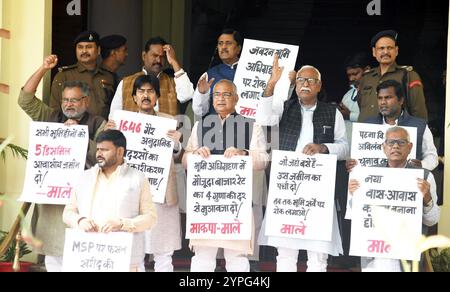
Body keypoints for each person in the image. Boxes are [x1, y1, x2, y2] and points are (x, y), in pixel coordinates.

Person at [257, 56, 349, 272]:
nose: (305, 84)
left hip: (318, 190)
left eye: (310, 80)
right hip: (288, 188)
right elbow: (263, 118)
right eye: (300, 80)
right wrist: (272, 83)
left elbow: (345, 148)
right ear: (294, 84)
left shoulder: (332, 112)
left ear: (319, 86)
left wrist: (323, 148)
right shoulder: (283, 106)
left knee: (318, 254)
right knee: (286, 253)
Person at [18, 55, 106, 272]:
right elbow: (25, 100)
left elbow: (104, 157)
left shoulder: (98, 123)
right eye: (65, 100)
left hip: (82, 203)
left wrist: (80, 137)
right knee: (53, 258)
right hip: (52, 204)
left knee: (81, 259)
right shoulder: (50, 116)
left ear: (85, 101)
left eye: (74, 100)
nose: (68, 104)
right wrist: (43, 68)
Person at [182, 79, 269, 272]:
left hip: (235, 204)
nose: (220, 98)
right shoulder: (200, 126)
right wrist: (195, 155)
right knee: (202, 257)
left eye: (226, 94)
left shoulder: (251, 125)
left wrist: (244, 153)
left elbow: (263, 160)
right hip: (206, 204)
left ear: (236, 98)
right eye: (217, 95)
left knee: (236, 257)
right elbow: (185, 159)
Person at [106, 74, 182, 272]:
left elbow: (177, 155)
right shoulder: (122, 123)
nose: (146, 95)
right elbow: (110, 157)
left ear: (157, 96)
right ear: (134, 97)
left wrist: (176, 143)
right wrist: (108, 135)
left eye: (150, 91)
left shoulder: (169, 121)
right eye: (141, 91)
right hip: (132, 193)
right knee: (134, 251)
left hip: (162, 193)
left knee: (163, 252)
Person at [63, 130, 157, 272]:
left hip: (125, 260)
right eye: (98, 149)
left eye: (105, 150)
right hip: (87, 258)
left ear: (120, 151)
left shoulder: (137, 178)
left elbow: (151, 218)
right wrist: (80, 221)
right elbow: (68, 212)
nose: (99, 154)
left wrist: (122, 224)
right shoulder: (84, 178)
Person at [348, 126, 440, 272]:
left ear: (410, 147)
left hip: (407, 257)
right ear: (383, 147)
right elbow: (358, 215)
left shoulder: (425, 177)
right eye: (391, 143)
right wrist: (355, 196)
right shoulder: (368, 175)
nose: (395, 146)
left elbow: (432, 220)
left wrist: (427, 198)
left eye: (401, 142)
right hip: (374, 255)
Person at [348, 80, 438, 172]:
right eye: (380, 98)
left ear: (401, 100)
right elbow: (357, 160)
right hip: (375, 183)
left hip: (408, 182)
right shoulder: (367, 125)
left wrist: (422, 165)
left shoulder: (419, 126)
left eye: (388, 97)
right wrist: (352, 164)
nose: (383, 102)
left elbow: (432, 157)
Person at [110, 36, 193, 117]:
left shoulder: (173, 83)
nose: (158, 60)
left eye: (162, 57)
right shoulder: (126, 83)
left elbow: (187, 95)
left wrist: (174, 61)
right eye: (154, 55)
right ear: (144, 56)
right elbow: (113, 117)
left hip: (166, 131)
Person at [358, 30, 428, 122]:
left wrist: (419, 132)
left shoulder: (408, 75)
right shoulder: (366, 77)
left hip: (396, 133)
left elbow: (418, 111)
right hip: (366, 132)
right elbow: (361, 105)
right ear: (374, 52)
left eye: (390, 48)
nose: (385, 52)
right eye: (381, 48)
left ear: (396, 51)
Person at [49, 31, 115, 120]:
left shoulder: (108, 76)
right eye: (80, 47)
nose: (84, 51)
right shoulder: (64, 75)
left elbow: (115, 107)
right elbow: (55, 110)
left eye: (89, 47)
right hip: (75, 130)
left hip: (103, 130)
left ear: (98, 50)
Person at [191, 29, 242, 116]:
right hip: (217, 127)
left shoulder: (253, 73)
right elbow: (199, 111)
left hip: (246, 126)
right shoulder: (208, 75)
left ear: (238, 48)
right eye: (220, 43)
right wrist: (202, 94)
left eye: (229, 43)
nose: (224, 47)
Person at [339, 52, 371, 143]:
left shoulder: (377, 93)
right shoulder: (348, 94)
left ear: (367, 70)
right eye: (349, 75)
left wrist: (349, 115)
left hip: (365, 144)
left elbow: (376, 119)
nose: (351, 78)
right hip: (345, 145)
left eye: (355, 74)